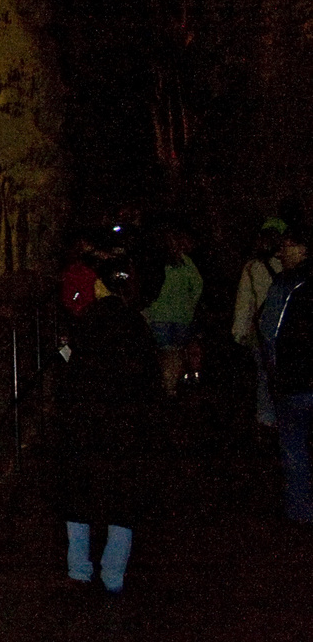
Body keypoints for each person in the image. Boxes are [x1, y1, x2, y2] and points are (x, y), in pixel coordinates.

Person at [56, 258, 161, 592]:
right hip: (127, 424)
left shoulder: (86, 322)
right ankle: (113, 574)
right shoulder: (137, 325)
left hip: (86, 421)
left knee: (79, 493)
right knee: (123, 498)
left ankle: (79, 569)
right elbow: (150, 382)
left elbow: (71, 374)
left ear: (100, 285)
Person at [260, 226, 313, 522]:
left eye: (287, 246)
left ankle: (300, 510)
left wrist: (273, 372)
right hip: (297, 378)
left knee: (294, 445)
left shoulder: (287, 283)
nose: (280, 253)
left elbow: (270, 332)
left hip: (295, 378)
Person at [233, 223, 286, 429]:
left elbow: (244, 302)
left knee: (264, 374)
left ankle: (266, 416)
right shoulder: (287, 266)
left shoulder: (251, 268)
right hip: (285, 328)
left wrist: (239, 332)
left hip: (262, 330)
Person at [143, 228, 204, 394]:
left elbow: (148, 288)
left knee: (164, 353)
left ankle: (167, 386)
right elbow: (198, 286)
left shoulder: (156, 262)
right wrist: (189, 304)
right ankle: (175, 385)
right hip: (182, 317)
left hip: (159, 316)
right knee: (177, 353)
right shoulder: (185, 263)